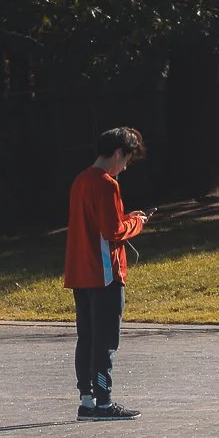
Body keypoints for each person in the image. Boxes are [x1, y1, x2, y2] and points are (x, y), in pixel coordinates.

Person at [63, 125, 150, 420]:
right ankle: (104, 401)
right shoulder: (107, 184)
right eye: (126, 160)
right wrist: (137, 224)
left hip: (80, 272)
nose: (124, 168)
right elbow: (112, 231)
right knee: (106, 341)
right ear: (117, 153)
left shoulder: (81, 180)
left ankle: (87, 399)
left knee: (85, 337)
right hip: (104, 274)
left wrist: (126, 218)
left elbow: (97, 224)